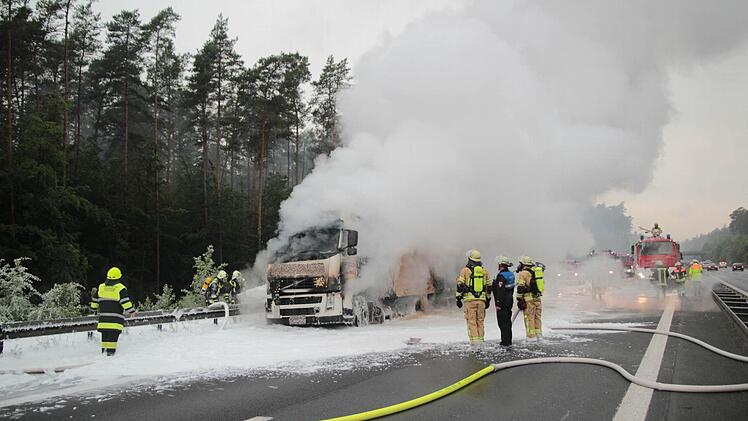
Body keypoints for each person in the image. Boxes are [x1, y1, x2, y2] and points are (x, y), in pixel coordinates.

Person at [89, 267, 135, 356]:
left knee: (105, 341)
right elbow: (125, 302)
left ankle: (103, 355)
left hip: (103, 321)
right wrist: (131, 311)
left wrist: (93, 309)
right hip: (115, 321)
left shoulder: (101, 287)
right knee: (111, 343)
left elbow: (94, 302)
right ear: (119, 277)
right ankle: (109, 357)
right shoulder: (120, 288)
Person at [455, 250, 492, 345]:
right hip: (482, 301)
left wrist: (458, 298)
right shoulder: (485, 271)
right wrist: (488, 299)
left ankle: (475, 344)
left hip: (470, 301)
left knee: (472, 322)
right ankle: (481, 341)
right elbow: (489, 287)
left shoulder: (465, 271)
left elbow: (460, 285)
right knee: (480, 321)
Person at [516, 256, 543, 340]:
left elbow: (520, 288)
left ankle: (531, 337)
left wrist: (519, 299)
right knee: (537, 317)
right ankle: (539, 335)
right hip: (538, 299)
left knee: (529, 318)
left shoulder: (523, 273)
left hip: (529, 300)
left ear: (523, 264)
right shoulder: (535, 272)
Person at [492, 256, 515, 346]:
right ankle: (508, 340)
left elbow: (500, 291)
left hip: (503, 302)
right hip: (509, 301)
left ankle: (504, 342)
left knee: (502, 323)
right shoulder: (510, 275)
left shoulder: (501, 276)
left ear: (501, 265)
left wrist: (498, 303)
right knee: (508, 322)